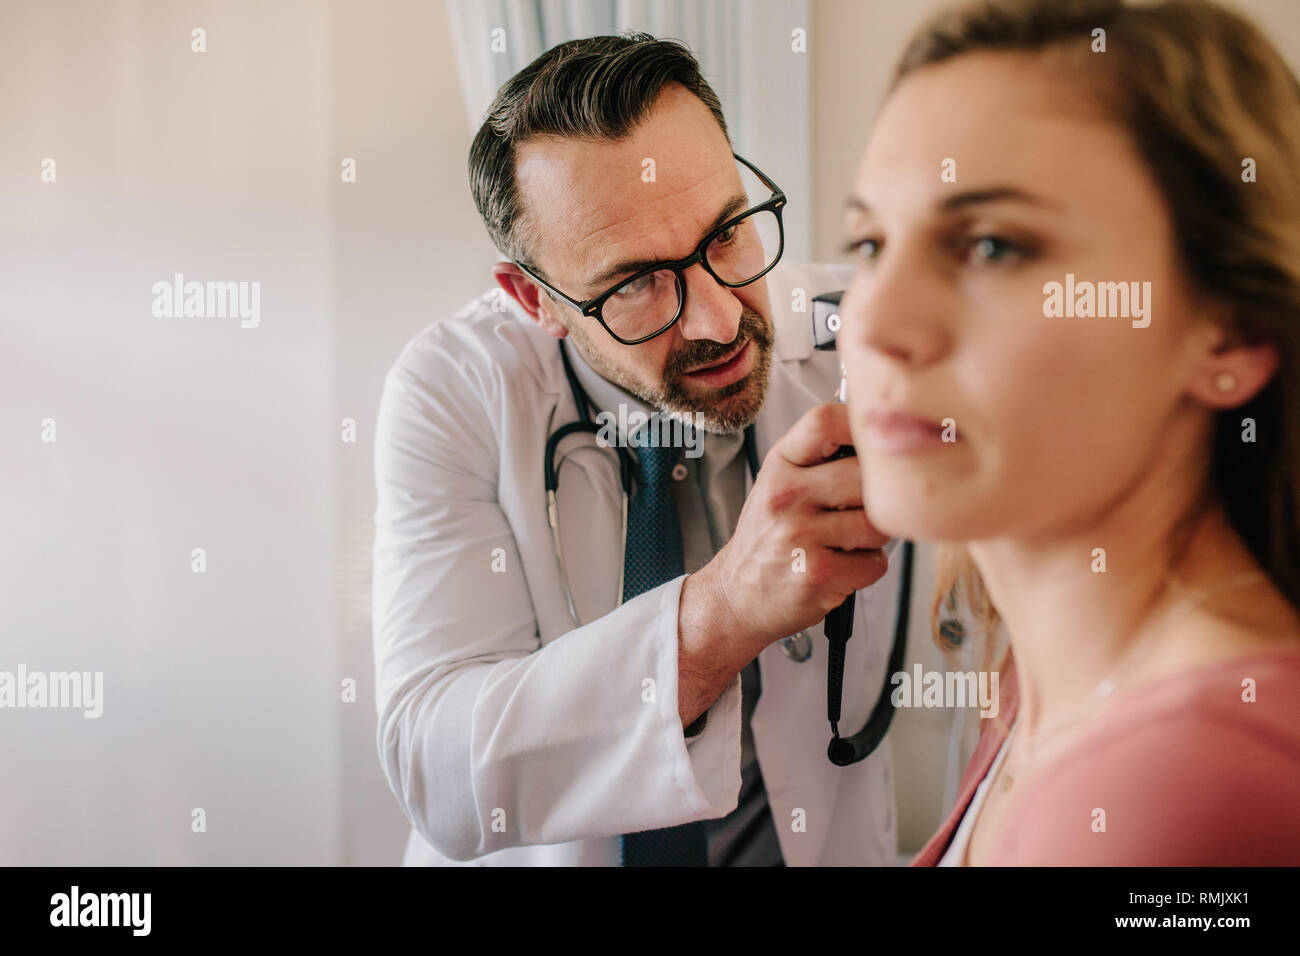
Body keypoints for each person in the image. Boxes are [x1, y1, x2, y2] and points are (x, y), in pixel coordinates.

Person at [372, 33, 906, 866]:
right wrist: (721, 614)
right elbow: (436, 769)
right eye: (634, 284)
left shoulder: (867, 334)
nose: (720, 321)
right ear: (534, 299)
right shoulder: (454, 390)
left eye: (728, 233)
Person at [837, 0, 1300, 865]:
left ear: (1231, 331)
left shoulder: (1185, 783)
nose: (873, 322)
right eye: (868, 245)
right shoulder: (1032, 684)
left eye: (991, 246)